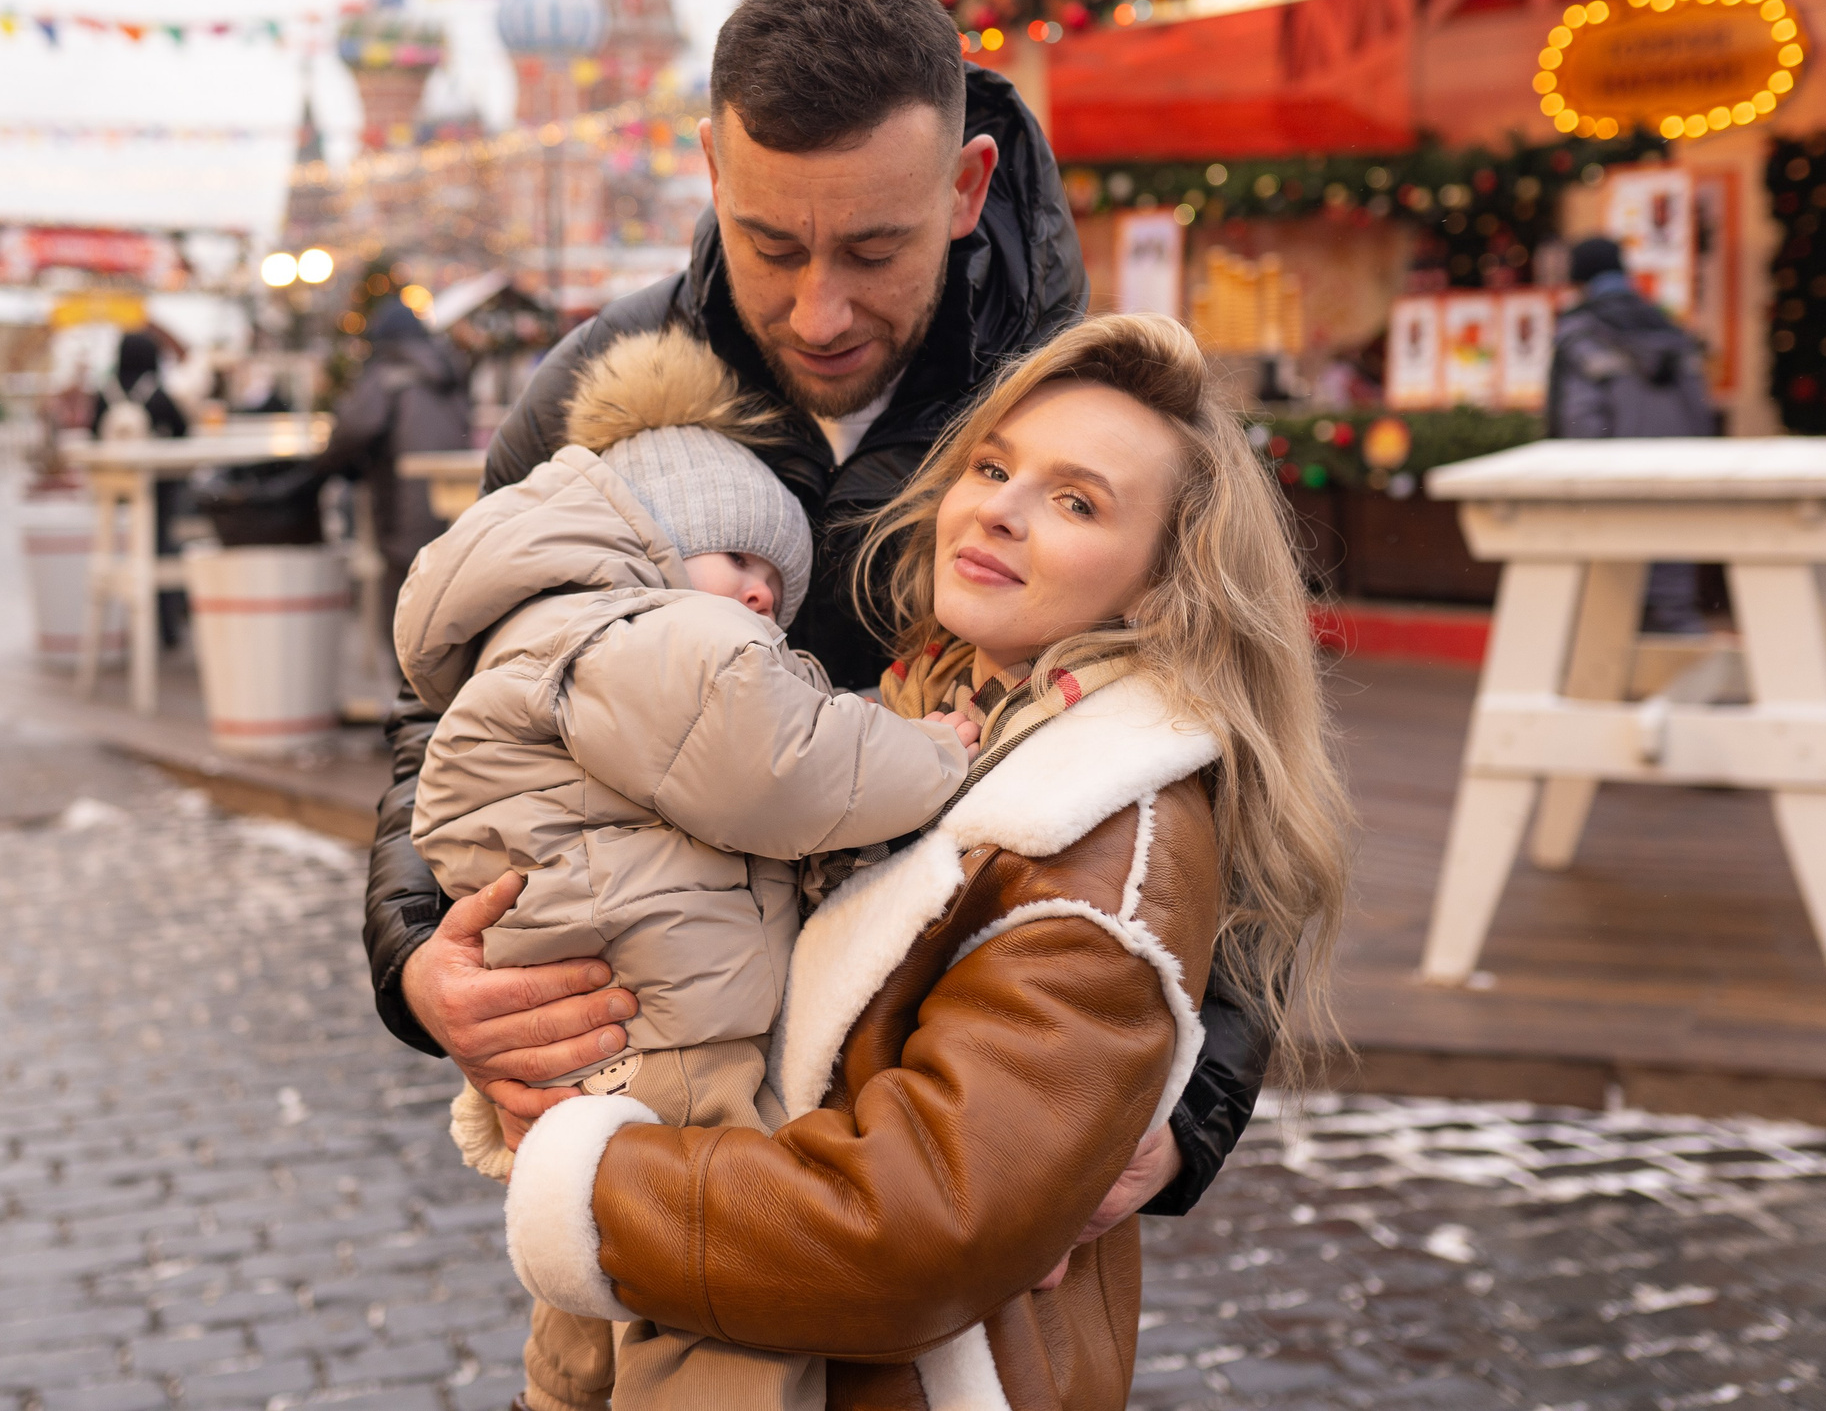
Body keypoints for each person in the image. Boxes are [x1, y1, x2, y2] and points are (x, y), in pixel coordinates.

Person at [363, 0, 1270, 1249]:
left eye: (874, 248)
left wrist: (1199, 1106)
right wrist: (416, 959)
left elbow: (1251, 766)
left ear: (964, 188)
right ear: (709, 173)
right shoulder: (593, 394)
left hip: (958, 1082)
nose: (819, 307)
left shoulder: (1093, 420)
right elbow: (440, 708)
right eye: (772, 245)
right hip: (665, 1083)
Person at [501, 313, 1353, 1409]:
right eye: (993, 465)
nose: (997, 505)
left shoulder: (1093, 831)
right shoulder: (914, 720)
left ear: (1161, 582)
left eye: (1076, 499)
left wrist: (584, 1174)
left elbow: (909, 1231)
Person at [400, 328, 979, 1411]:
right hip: (664, 1023)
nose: (761, 595)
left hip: (617, 1013)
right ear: (657, 546)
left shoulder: (573, 636)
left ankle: (562, 1396)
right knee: (727, 1273)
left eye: (776, 577)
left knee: (596, 1249)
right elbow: (780, 763)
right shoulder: (644, 639)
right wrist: (942, 748)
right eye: (738, 562)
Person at [1548, 235, 1715, 631]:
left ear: (1578, 276)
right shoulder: (1668, 326)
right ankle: (1678, 659)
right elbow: (1699, 409)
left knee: (1610, 606)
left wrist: (1574, 477)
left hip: (1611, 476)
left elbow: (1579, 416)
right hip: (1676, 473)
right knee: (1672, 591)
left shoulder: (1579, 332)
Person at [312, 300, 471, 647]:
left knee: (402, 608)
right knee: (448, 601)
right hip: (460, 507)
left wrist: (318, 471)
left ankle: (409, 695)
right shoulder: (447, 372)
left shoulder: (387, 375)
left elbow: (351, 432)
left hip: (405, 508)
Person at [91, 331, 191, 644]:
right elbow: (184, 431)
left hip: (113, 497)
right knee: (166, 541)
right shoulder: (157, 393)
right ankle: (168, 625)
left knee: (138, 546)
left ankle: (126, 628)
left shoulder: (104, 394)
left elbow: (93, 434)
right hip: (156, 493)